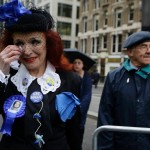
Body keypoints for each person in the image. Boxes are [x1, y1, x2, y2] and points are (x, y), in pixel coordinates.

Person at [0, 1, 82, 150]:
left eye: (35, 41)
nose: (26, 51)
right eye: (19, 43)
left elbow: (74, 130)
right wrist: (0, 74)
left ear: (49, 44)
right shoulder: (6, 78)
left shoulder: (70, 79)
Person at [97, 31, 150, 150]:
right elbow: (106, 117)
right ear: (130, 52)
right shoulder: (113, 77)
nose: (149, 51)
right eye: (143, 46)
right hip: (122, 145)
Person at [73, 58, 92, 149]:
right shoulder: (70, 75)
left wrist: (80, 109)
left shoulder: (87, 77)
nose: (76, 65)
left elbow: (87, 96)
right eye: (75, 63)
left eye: (79, 63)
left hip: (80, 110)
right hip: (70, 108)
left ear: (83, 65)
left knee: (79, 131)